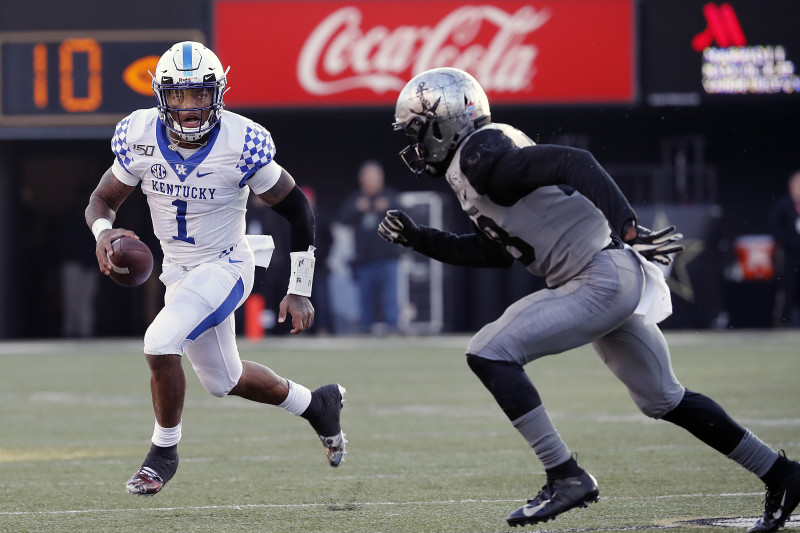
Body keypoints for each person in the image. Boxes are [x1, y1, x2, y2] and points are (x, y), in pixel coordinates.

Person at [378, 67, 800, 532]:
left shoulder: (481, 154)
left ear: (447, 121)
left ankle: (565, 475)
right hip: (603, 276)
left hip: (596, 277)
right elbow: (496, 253)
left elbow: (575, 162)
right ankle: (782, 475)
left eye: (419, 131)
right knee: (664, 398)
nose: (417, 146)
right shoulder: (479, 161)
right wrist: (421, 239)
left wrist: (628, 224)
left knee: (489, 351)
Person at [84, 41, 347, 496]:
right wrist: (103, 233)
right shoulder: (140, 135)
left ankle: (162, 453)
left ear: (218, 93)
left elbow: (298, 210)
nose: (190, 107)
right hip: (179, 273)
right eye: (180, 96)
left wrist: (299, 286)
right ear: (162, 96)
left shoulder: (240, 142)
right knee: (224, 380)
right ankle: (317, 405)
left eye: (200, 94)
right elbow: (102, 201)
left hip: (226, 265)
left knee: (159, 341)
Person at [338, 160, 402, 334]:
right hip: (364, 260)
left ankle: (393, 326)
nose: (371, 182)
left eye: (374, 178)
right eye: (367, 178)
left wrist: (388, 208)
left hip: (388, 258)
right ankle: (365, 327)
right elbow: (343, 220)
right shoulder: (356, 199)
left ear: (381, 179)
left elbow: (404, 219)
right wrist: (357, 209)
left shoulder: (390, 196)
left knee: (390, 297)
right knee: (365, 298)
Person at [769, 170, 800, 327]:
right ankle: (787, 321)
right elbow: (777, 228)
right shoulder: (783, 205)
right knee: (788, 287)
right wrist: (788, 242)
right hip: (789, 254)